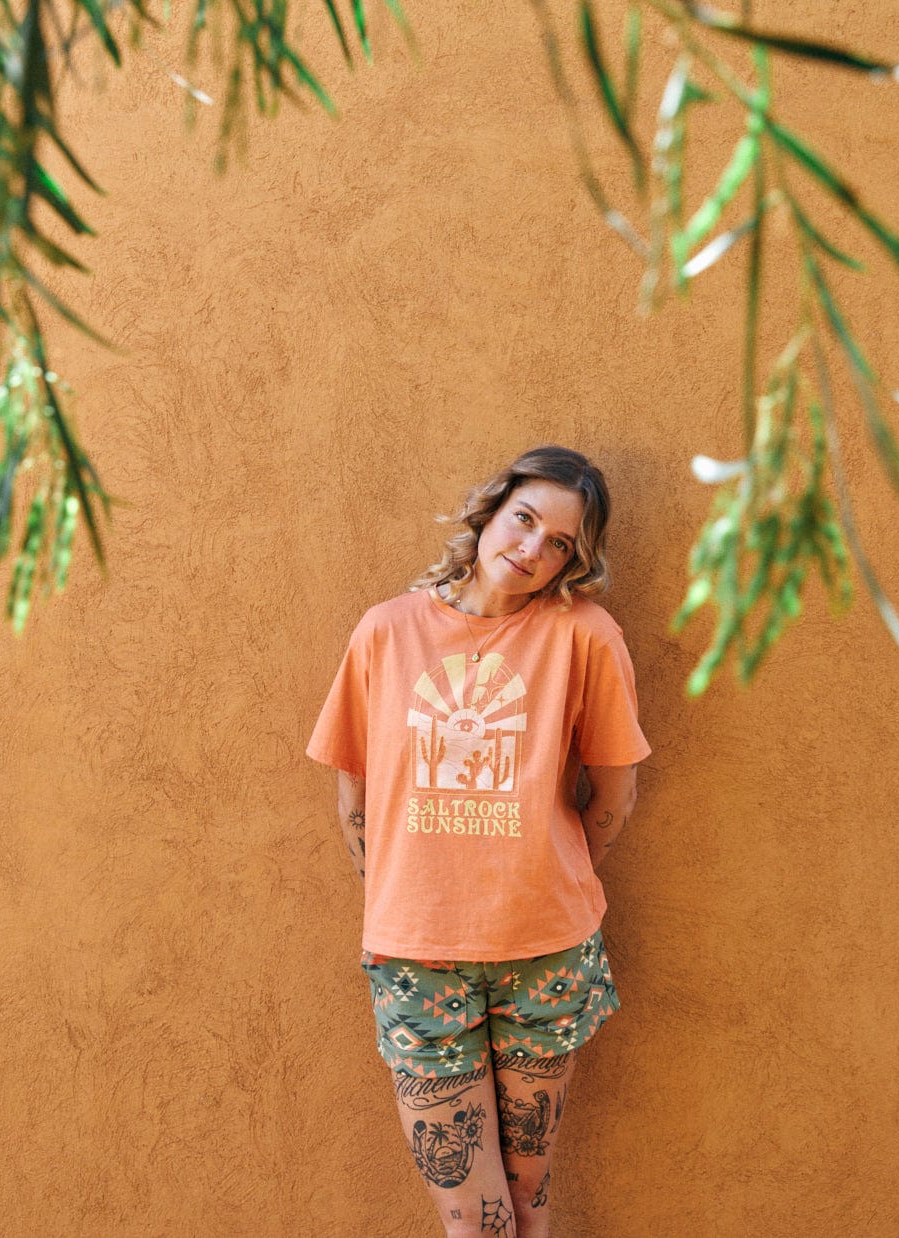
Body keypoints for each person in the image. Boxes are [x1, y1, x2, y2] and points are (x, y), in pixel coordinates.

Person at [307, 446, 650, 1238]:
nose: (533, 549)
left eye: (560, 543)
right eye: (525, 519)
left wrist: (539, 872)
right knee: (474, 1219)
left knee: (527, 1202)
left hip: (545, 953)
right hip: (416, 958)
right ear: (490, 512)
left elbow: (615, 796)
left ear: (575, 559)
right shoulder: (386, 632)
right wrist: (409, 895)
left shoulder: (585, 636)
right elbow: (353, 797)